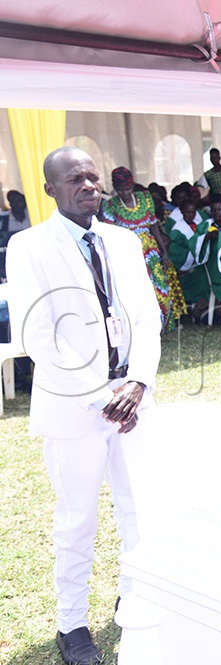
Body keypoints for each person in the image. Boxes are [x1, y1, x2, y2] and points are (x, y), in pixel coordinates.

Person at [6, 147, 161, 665]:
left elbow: (145, 319)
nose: (88, 185)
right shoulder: (28, 245)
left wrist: (137, 383)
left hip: (132, 400)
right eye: (75, 179)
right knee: (78, 518)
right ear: (50, 189)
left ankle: (134, 595)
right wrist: (103, 396)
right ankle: (71, 623)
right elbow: (38, 334)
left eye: (93, 176)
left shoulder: (123, 240)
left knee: (139, 507)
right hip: (75, 407)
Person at [99, 166, 185, 333]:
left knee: (159, 286)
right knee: (135, 290)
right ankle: (142, 328)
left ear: (133, 185)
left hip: (150, 251)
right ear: (115, 188)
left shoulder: (145, 198)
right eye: (121, 190)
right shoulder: (110, 205)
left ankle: (163, 325)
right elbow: (109, 234)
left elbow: (153, 226)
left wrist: (164, 252)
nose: (125, 193)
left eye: (128, 188)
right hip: (126, 254)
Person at [164, 200, 213, 313]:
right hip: (186, 267)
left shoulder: (199, 224)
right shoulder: (177, 230)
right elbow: (176, 252)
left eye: (193, 212)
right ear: (182, 212)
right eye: (187, 212)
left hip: (198, 263)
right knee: (200, 278)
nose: (191, 215)